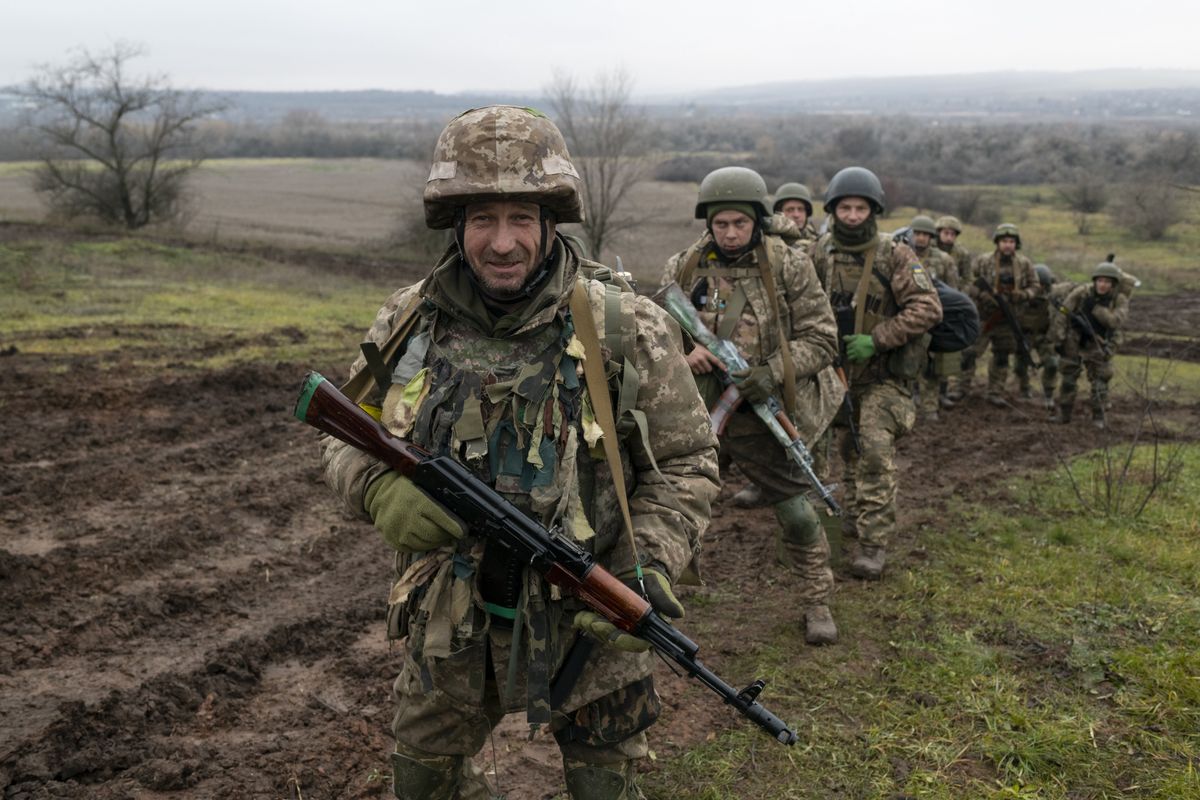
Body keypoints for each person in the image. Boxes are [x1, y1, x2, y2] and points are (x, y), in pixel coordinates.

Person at [318, 105, 720, 800]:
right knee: (423, 782)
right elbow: (347, 432)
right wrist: (376, 489)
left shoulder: (629, 328)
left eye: (521, 220)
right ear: (456, 225)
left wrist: (647, 567)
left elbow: (688, 462)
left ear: (550, 222)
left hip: (589, 621)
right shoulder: (410, 321)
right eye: (483, 220)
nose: (502, 243)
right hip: (450, 623)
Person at [661, 165, 844, 644]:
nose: (730, 233)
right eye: (720, 224)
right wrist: (685, 350)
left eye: (739, 223)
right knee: (666, 505)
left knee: (798, 514)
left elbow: (823, 338)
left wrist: (772, 373)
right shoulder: (684, 265)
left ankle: (817, 600)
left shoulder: (787, 263)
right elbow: (654, 331)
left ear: (757, 220)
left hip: (762, 410)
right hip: (699, 412)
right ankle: (650, 596)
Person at [808, 167, 942, 580]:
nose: (851, 215)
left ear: (873, 210)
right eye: (844, 207)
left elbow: (928, 308)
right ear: (832, 209)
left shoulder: (895, 254)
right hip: (835, 371)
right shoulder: (821, 253)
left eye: (859, 207)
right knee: (843, 451)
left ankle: (873, 542)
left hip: (883, 375)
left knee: (875, 453)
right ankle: (849, 519)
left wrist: (879, 337)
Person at [965, 223, 1040, 407]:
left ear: (1016, 244)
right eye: (1004, 241)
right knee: (969, 353)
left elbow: (1035, 286)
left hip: (1008, 318)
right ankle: (961, 388)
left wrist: (1023, 295)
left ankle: (995, 391)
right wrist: (982, 295)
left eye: (1011, 241)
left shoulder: (1024, 264)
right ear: (997, 242)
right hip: (983, 317)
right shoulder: (983, 261)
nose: (1008, 245)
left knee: (1002, 356)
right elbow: (968, 282)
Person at [1051, 261, 1129, 428]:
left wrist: (1096, 309)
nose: (1102, 285)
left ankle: (1098, 416)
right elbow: (1063, 311)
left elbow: (1115, 322)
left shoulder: (1119, 299)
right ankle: (1064, 414)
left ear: (1113, 284)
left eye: (1107, 282)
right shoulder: (1082, 293)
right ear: (1095, 280)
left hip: (1099, 343)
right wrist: (1060, 338)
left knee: (1100, 381)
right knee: (1068, 379)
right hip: (1075, 340)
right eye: (1100, 280)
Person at [906, 214, 959, 421]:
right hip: (908, 320)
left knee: (932, 369)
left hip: (935, 321)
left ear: (931, 237)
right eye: (917, 234)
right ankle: (909, 407)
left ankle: (929, 409)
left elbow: (954, 291)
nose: (920, 239)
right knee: (907, 365)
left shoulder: (944, 260)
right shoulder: (902, 255)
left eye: (924, 235)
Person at [1015, 263, 1074, 409]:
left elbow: (1072, 290)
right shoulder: (1022, 296)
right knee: (1019, 366)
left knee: (1052, 364)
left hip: (1044, 336)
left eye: (1042, 284)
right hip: (1025, 335)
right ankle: (1024, 388)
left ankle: (1048, 394)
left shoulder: (1053, 297)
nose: (1039, 288)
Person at [936, 215, 975, 403]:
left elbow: (968, 279)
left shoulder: (962, 254)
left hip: (953, 306)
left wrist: (960, 297)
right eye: (945, 233)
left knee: (947, 350)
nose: (949, 237)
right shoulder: (930, 251)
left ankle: (943, 391)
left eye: (952, 234)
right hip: (930, 302)